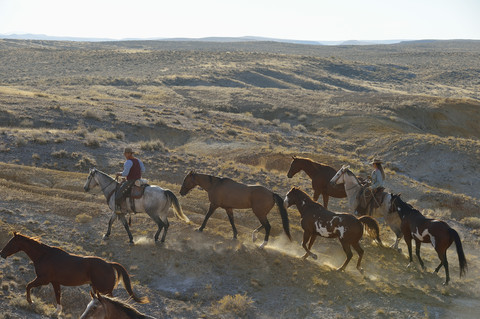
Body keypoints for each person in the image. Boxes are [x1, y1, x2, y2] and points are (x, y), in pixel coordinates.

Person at [115, 147, 145, 212]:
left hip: (131, 181)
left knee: (118, 193)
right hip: (138, 180)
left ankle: (120, 209)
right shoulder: (138, 161)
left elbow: (125, 173)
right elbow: (143, 170)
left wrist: (118, 174)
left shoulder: (128, 162)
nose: (125, 155)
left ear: (128, 154)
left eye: (125, 154)